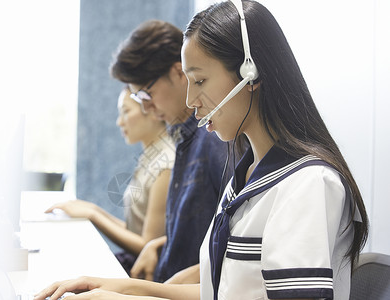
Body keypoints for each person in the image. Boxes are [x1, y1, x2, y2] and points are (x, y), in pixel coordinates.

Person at [34, 1, 369, 299]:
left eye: (200, 80)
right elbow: (221, 292)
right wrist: (119, 286)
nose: (191, 100)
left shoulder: (307, 185)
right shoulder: (245, 177)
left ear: (250, 73)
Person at [110, 19, 227, 283]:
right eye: (138, 98)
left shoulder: (213, 137)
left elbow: (232, 242)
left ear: (178, 73)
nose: (146, 107)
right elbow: (198, 232)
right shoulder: (184, 139)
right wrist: (160, 245)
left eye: (147, 94)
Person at [45, 87, 175, 274]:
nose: (119, 121)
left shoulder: (166, 164)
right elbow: (136, 230)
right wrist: (92, 209)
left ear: (151, 108)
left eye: (126, 112)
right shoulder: (152, 155)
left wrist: (93, 215)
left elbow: (148, 244)